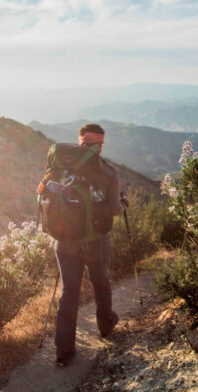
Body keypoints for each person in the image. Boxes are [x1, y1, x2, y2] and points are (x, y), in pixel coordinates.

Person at [54, 123, 127, 366]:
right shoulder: (107, 172)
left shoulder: (59, 169)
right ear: (100, 145)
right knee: (100, 281)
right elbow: (115, 210)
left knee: (69, 292)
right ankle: (106, 325)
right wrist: (123, 204)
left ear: (80, 143)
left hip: (64, 240)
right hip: (95, 239)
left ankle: (64, 350)